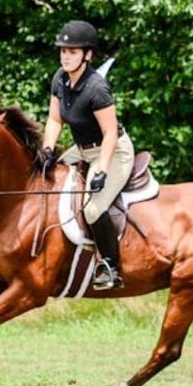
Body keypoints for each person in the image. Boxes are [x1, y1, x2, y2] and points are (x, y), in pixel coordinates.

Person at [41, 20, 134, 291]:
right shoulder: (59, 78)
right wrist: (48, 149)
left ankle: (110, 266)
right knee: (43, 175)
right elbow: (54, 120)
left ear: (88, 55)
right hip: (82, 149)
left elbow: (110, 135)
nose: (66, 56)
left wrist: (102, 170)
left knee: (93, 208)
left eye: (72, 51)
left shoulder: (96, 88)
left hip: (112, 151)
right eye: (63, 51)